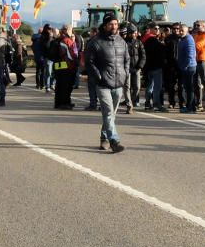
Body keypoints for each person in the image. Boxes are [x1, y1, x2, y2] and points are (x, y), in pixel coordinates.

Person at [85, 13, 130, 152]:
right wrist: (99, 77)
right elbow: (89, 62)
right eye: (111, 24)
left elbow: (127, 59)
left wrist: (125, 73)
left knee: (111, 114)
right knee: (109, 113)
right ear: (105, 26)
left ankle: (104, 138)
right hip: (103, 84)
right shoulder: (95, 42)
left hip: (118, 83)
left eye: (116, 24)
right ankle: (114, 141)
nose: (114, 26)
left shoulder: (121, 41)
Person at [52, 24, 79, 109]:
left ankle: (58, 103)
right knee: (66, 86)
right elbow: (72, 55)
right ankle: (65, 103)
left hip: (58, 66)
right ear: (68, 30)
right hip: (67, 66)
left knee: (59, 85)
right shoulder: (67, 41)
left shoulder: (58, 39)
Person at [122, 24, 146, 114]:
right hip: (127, 68)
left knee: (137, 87)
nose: (134, 34)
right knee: (127, 87)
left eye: (135, 32)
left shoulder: (139, 43)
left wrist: (140, 66)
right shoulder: (124, 43)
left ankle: (131, 101)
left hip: (136, 68)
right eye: (132, 32)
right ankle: (129, 105)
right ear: (128, 33)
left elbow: (143, 55)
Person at [142, 23, 165, 111]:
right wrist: (162, 45)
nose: (157, 30)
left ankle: (147, 102)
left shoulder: (144, 39)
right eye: (155, 28)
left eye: (158, 28)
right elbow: (160, 52)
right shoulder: (153, 40)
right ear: (151, 29)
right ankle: (156, 103)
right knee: (157, 87)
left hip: (148, 66)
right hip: (156, 66)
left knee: (149, 86)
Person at [176, 23, 197, 113]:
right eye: (179, 30)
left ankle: (190, 107)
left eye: (182, 31)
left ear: (187, 31)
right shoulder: (182, 39)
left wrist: (185, 66)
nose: (180, 32)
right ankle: (190, 106)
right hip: (185, 67)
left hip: (189, 67)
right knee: (188, 88)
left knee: (189, 88)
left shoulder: (188, 40)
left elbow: (190, 55)